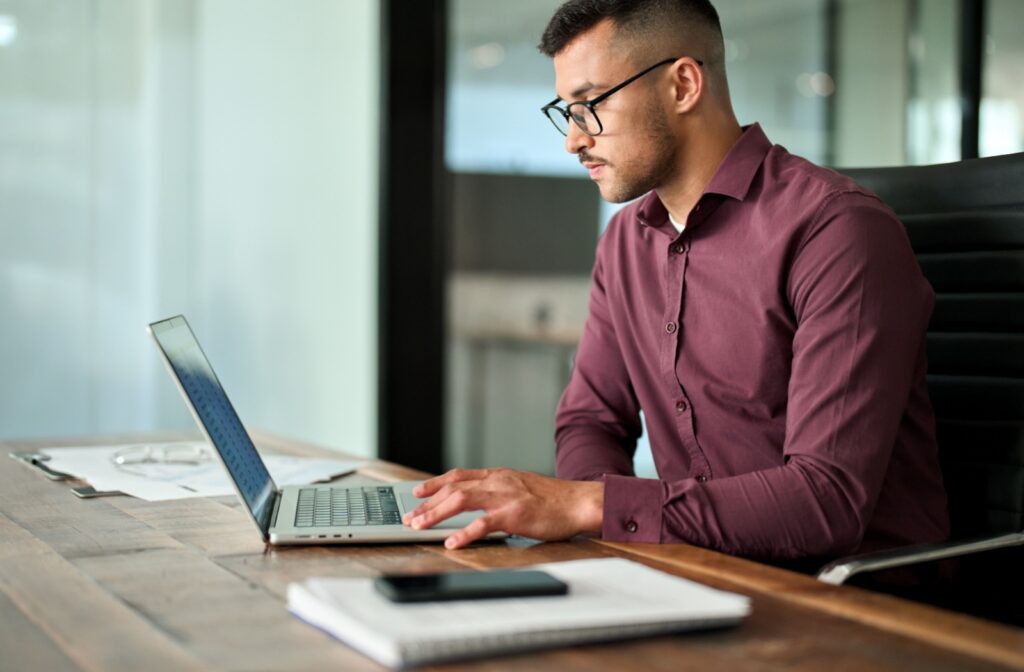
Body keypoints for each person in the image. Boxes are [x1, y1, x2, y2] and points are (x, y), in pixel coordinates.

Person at [402, 0, 949, 562]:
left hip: (853, 599)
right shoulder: (624, 244)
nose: (572, 140)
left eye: (590, 104)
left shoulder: (836, 230)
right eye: (565, 111)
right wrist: (602, 526)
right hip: (696, 568)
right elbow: (590, 421)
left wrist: (592, 506)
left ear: (683, 85)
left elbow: (825, 501)